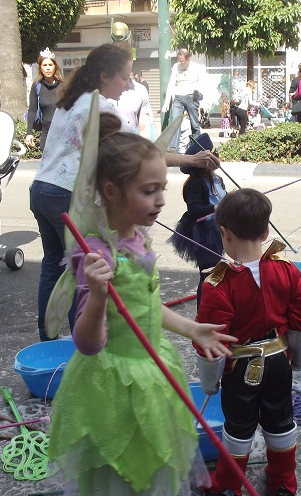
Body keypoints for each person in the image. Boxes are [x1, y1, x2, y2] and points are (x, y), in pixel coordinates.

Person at [47, 112, 235, 496]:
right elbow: (87, 343)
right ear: (111, 191)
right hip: (116, 383)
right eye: (149, 191)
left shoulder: (135, 235)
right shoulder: (98, 254)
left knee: (143, 477)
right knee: (131, 480)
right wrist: (97, 295)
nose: (161, 201)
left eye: (162, 188)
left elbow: (144, 307)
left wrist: (190, 328)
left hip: (152, 374)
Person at [31, 43, 219, 342]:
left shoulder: (72, 100)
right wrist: (192, 160)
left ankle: (49, 341)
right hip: (68, 193)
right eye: (124, 77)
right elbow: (140, 153)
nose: (128, 85)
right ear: (104, 76)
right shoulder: (100, 107)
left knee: (55, 267)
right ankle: (83, 344)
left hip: (41, 189)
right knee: (86, 272)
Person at [194, 187, 301, 496]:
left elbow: (211, 338)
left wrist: (209, 381)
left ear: (225, 233)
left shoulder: (218, 283)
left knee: (238, 429)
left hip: (242, 368)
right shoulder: (287, 269)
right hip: (279, 361)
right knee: (281, 420)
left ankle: (227, 491)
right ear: (265, 232)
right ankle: (284, 482)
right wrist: (295, 356)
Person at [168, 138, 226, 308]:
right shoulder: (195, 183)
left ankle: (215, 304)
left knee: (218, 270)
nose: (217, 157)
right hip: (204, 233)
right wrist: (215, 208)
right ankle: (203, 309)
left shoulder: (218, 179)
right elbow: (194, 209)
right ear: (205, 162)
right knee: (208, 273)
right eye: (214, 154)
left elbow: (222, 198)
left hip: (218, 229)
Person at [162, 48, 205, 150]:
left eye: (182, 61)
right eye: (179, 60)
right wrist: (167, 101)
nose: (180, 63)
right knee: (175, 123)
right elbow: (171, 83)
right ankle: (173, 148)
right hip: (178, 96)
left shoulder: (196, 67)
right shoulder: (176, 66)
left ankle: (197, 147)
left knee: (194, 124)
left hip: (191, 96)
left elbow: (203, 83)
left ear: (188, 59)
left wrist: (204, 102)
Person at [25, 48, 63, 152]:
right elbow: (32, 110)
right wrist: (29, 133)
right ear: (40, 68)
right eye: (45, 65)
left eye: (50, 65)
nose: (48, 68)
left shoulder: (64, 86)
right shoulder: (37, 86)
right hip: (46, 133)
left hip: (63, 134)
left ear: (55, 66)